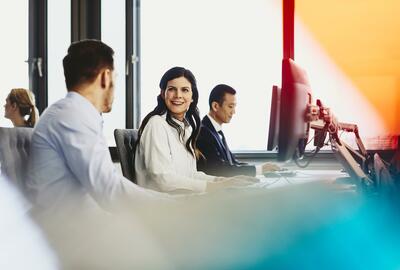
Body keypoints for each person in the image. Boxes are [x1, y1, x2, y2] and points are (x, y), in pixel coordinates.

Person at [27, 39, 161, 214]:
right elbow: (110, 191)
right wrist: (181, 205)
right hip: (66, 231)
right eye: (116, 77)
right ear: (105, 77)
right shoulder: (71, 116)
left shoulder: (73, 113)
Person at [135, 67, 258, 193]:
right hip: (163, 205)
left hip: (179, 200)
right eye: (172, 89)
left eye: (185, 90)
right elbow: (162, 179)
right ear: (163, 93)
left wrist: (220, 180)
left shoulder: (185, 128)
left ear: (192, 96)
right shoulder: (156, 124)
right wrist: (215, 187)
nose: (178, 95)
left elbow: (191, 175)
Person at [196, 84, 280, 177]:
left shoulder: (215, 130)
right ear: (215, 106)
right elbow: (220, 169)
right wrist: (259, 170)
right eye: (230, 106)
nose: (233, 112)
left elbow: (233, 163)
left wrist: (261, 168)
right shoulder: (203, 133)